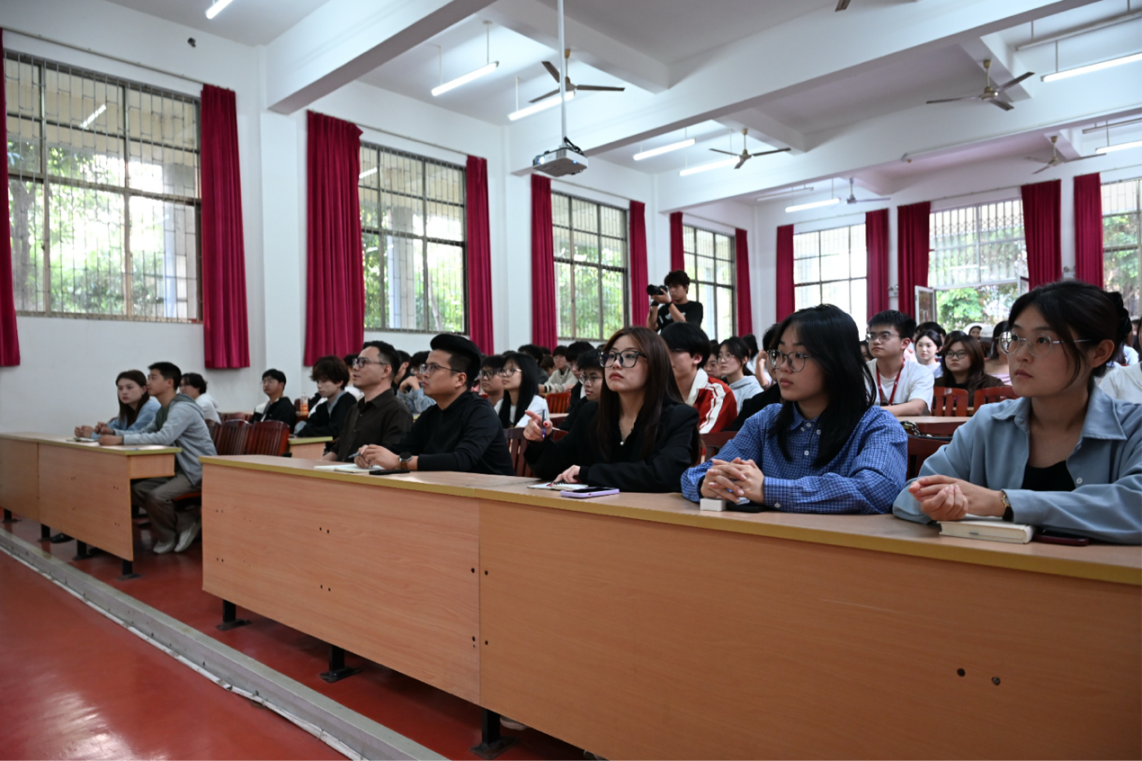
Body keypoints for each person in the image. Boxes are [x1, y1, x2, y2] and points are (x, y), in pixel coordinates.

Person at [894, 281, 1142, 544]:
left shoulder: (1133, 427)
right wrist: (934, 505)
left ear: (1099, 353)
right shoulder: (988, 423)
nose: (1020, 355)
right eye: (1015, 339)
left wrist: (1002, 503)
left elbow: (1134, 506)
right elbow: (910, 495)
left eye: (1042, 340)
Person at [681, 304, 907, 513]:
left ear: (837, 361)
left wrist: (768, 489)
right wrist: (707, 484)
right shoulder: (766, 421)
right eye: (779, 354)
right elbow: (695, 475)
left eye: (798, 355)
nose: (783, 367)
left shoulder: (876, 425)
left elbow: (876, 489)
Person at [522, 326, 700, 492]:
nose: (615, 363)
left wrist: (588, 474)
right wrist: (540, 442)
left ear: (655, 364)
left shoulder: (679, 416)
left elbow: (663, 475)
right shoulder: (591, 413)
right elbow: (555, 468)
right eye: (610, 356)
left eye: (629, 356)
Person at [98, 362, 217, 554]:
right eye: (148, 378)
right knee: (135, 490)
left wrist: (120, 440)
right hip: (175, 468)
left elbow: (163, 437)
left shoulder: (182, 408)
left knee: (156, 496)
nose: (148, 383)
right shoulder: (164, 409)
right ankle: (184, 522)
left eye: (153, 378)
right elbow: (145, 432)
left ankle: (169, 534)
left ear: (169, 382)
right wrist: (113, 432)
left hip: (196, 470)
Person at [356, 334, 514, 476]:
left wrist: (400, 461)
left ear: (460, 379)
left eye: (433, 368)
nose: (424, 374)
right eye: (425, 367)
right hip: (449, 490)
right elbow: (400, 450)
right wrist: (370, 454)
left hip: (492, 493)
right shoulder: (431, 414)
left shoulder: (481, 412)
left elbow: (462, 460)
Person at [323, 342, 413, 462]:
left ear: (385, 370)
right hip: (340, 472)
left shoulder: (397, 411)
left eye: (363, 362)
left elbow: (391, 459)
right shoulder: (355, 408)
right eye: (356, 362)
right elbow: (338, 450)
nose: (355, 368)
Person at [661, 322, 736, 434]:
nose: (664, 357)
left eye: (673, 351)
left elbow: (704, 440)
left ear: (696, 358)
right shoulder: (657, 390)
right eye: (662, 351)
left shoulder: (718, 393)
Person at [866, 310, 933, 417]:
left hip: (908, 428)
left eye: (885, 336)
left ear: (904, 343)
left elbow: (916, 407)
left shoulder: (921, 372)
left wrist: (868, 412)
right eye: (872, 336)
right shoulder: (862, 371)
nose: (876, 341)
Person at [726, 324, 784, 432]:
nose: (779, 362)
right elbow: (732, 435)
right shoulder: (755, 404)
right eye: (774, 354)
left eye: (797, 355)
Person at [75, 370, 161, 439]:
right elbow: (112, 430)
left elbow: (132, 437)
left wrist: (92, 435)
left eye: (129, 387)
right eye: (120, 388)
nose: (124, 392)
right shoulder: (128, 410)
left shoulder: (150, 409)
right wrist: (99, 430)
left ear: (143, 389)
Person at [295, 356, 354, 442]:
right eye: (318, 381)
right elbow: (303, 425)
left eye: (324, 381)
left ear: (339, 382)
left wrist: (308, 430)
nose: (319, 386)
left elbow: (335, 431)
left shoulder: (348, 401)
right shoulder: (322, 407)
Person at [934, 331, 1004, 403]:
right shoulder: (936, 385)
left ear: (975, 355)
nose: (954, 358)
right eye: (949, 353)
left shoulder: (992, 385)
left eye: (961, 353)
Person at [497, 352, 549, 428]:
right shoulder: (501, 404)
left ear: (526, 373)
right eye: (503, 370)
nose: (504, 374)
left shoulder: (538, 403)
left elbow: (517, 432)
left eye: (512, 370)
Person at [559, 349, 604, 431]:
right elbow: (563, 429)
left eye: (594, 377)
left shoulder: (619, 409)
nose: (587, 383)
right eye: (585, 377)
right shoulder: (583, 404)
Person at [717, 336, 761, 413]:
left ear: (744, 360)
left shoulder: (753, 391)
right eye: (720, 356)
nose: (722, 360)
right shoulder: (718, 387)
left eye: (728, 355)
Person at [397, 351, 436, 416]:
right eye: (414, 369)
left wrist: (416, 387)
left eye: (419, 369)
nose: (415, 373)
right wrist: (402, 388)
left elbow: (426, 410)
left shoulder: (437, 386)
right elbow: (404, 409)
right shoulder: (419, 384)